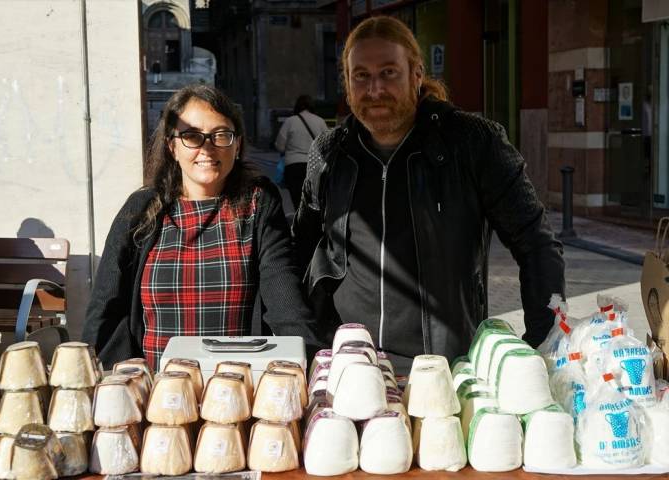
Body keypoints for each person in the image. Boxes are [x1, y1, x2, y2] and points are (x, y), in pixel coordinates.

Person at [292, 16, 565, 375]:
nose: (374, 90)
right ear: (347, 82)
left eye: (389, 72)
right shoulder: (329, 154)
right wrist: (303, 342)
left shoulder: (472, 142)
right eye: (361, 76)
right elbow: (298, 250)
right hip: (347, 367)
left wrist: (543, 344)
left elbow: (536, 243)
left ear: (417, 74)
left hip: (441, 369)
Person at [82, 85, 323, 369]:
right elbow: (106, 307)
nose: (207, 148)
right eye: (192, 136)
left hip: (235, 390)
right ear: (172, 146)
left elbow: (286, 303)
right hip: (157, 393)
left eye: (221, 135)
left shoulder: (257, 204)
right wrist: (119, 388)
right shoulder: (142, 209)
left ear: (238, 145)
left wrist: (314, 369)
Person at [274, 95, 329, 209]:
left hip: (293, 166)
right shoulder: (320, 121)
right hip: (315, 167)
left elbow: (279, 146)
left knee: (297, 201)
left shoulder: (290, 121)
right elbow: (328, 145)